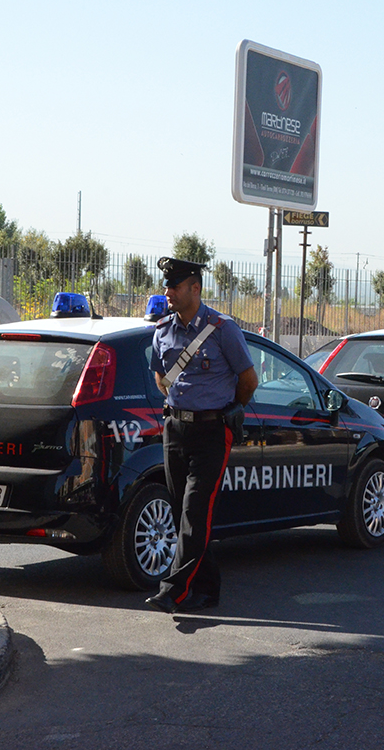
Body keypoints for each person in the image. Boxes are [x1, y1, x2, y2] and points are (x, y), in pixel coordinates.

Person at [145, 257, 258, 613]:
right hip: (175, 428)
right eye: (166, 286)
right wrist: (178, 403)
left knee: (195, 511)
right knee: (185, 512)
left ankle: (173, 589)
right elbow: (159, 376)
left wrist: (230, 408)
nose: (168, 293)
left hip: (212, 430)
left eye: (174, 287)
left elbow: (248, 380)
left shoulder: (222, 329)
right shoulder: (163, 330)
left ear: (195, 287)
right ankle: (207, 589)